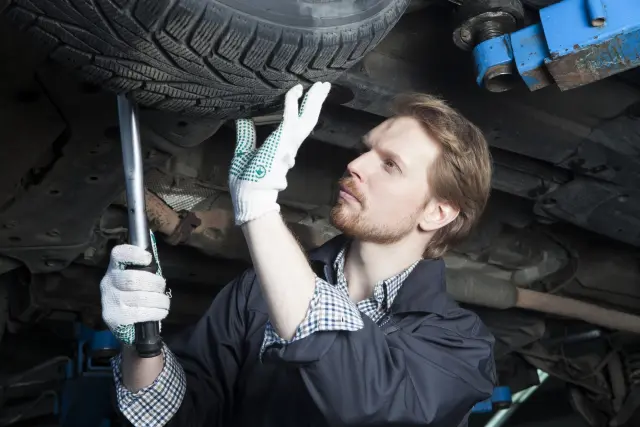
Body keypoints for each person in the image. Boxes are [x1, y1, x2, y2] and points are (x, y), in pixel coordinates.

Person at [100, 82, 497, 427]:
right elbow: (185, 416)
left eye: (390, 165)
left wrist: (259, 211)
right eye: (365, 151)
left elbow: (373, 406)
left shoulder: (461, 344)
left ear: (437, 212)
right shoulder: (255, 292)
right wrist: (140, 342)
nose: (355, 164)